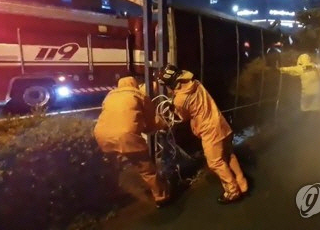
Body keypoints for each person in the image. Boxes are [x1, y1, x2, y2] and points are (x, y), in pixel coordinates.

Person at [157, 64, 248, 204]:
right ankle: (242, 182)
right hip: (220, 122)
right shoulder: (195, 83)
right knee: (228, 154)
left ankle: (232, 191)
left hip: (209, 130)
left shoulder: (180, 99)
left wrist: (173, 107)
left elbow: (183, 116)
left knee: (215, 163)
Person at [93, 76, 169, 208]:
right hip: (126, 136)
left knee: (113, 167)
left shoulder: (109, 96)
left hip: (102, 135)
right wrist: (164, 125)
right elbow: (151, 123)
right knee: (147, 170)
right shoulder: (139, 95)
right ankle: (161, 197)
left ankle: (114, 193)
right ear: (134, 84)